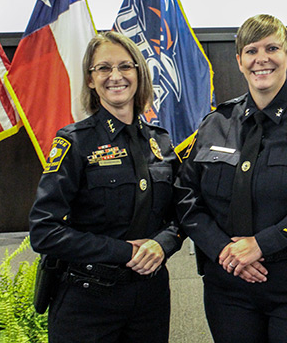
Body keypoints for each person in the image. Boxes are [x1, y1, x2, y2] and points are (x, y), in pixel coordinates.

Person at [175, 14, 287, 343]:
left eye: (272, 48)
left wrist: (261, 245)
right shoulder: (215, 124)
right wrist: (224, 252)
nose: (261, 59)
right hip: (230, 290)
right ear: (239, 60)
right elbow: (186, 199)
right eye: (251, 50)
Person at [28, 31, 182, 343]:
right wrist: (123, 252)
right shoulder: (74, 142)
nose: (116, 76)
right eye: (104, 68)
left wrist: (162, 244)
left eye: (126, 66)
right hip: (87, 300)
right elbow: (44, 231)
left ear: (139, 73)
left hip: (149, 298)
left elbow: (183, 213)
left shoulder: (160, 142)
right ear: (90, 79)